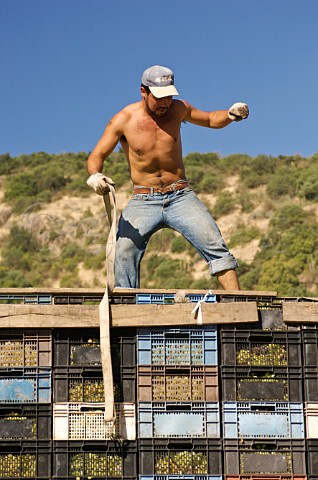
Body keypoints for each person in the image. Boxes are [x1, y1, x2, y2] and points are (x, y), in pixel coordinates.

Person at [87, 65, 249, 290]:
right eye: (159, 97)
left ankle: (238, 311)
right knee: (123, 251)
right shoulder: (124, 119)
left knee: (215, 244)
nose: (165, 103)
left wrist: (230, 115)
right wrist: (95, 175)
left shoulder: (178, 109)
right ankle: (127, 316)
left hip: (181, 196)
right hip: (143, 200)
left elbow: (211, 119)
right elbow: (98, 154)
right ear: (144, 91)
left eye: (169, 96)